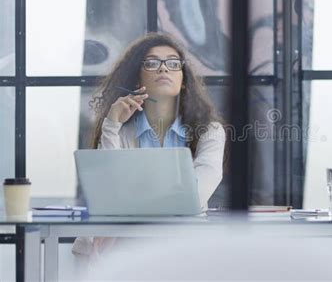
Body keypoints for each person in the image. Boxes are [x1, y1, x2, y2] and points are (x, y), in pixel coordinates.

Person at [72, 32, 226, 264]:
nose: (163, 69)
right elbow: (108, 192)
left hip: (187, 246)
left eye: (173, 64)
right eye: (152, 63)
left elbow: (194, 197)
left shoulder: (210, 131)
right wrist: (111, 125)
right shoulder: (122, 130)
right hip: (130, 247)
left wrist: (128, 207)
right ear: (137, 79)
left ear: (183, 81)